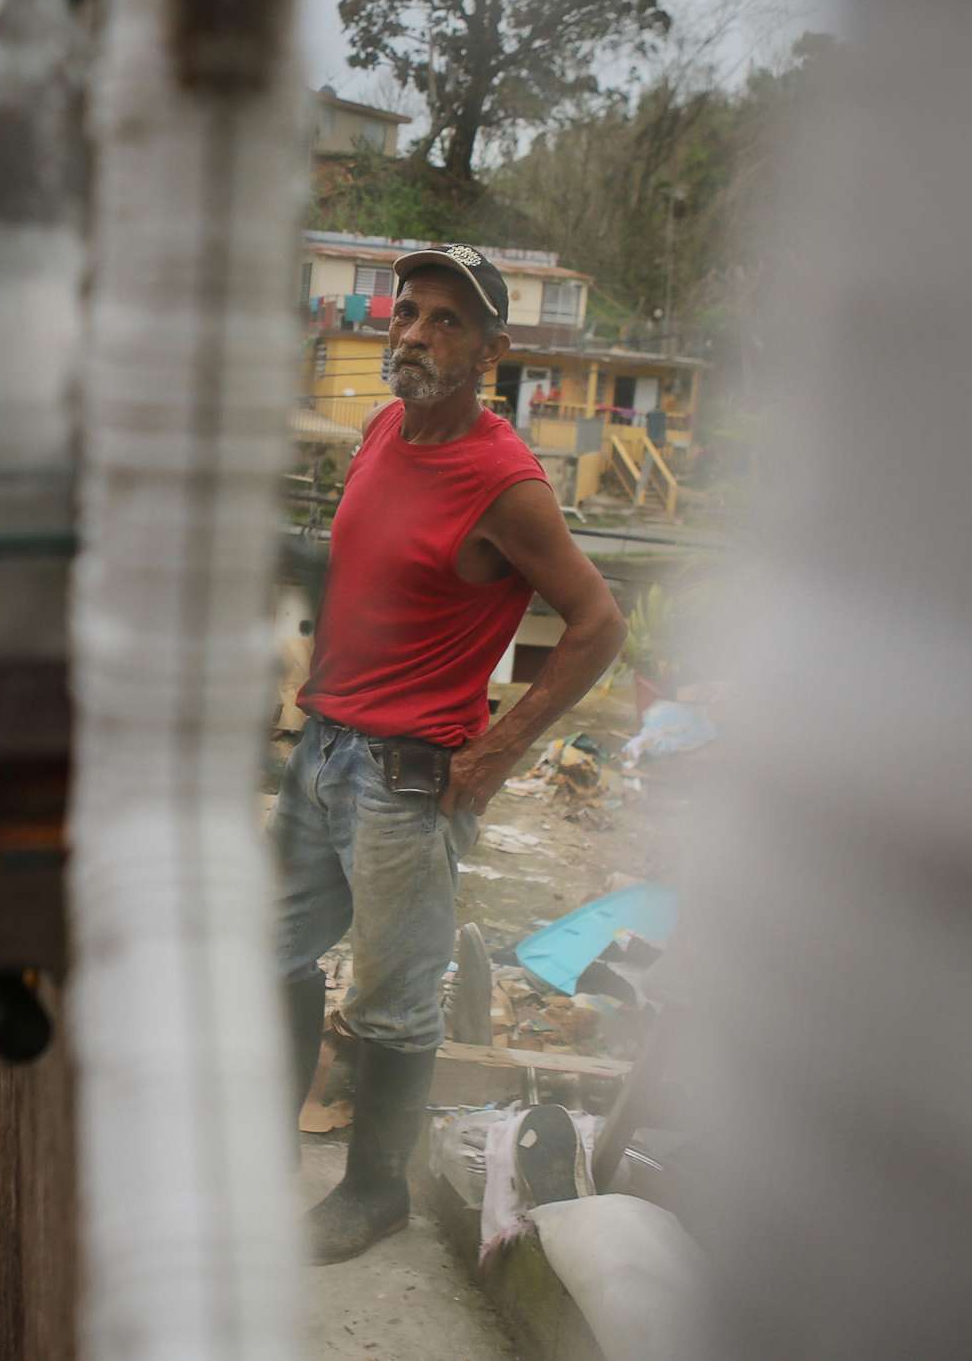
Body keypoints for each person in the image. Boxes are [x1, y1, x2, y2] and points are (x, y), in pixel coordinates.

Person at [279, 243, 626, 1262]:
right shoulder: (382, 426)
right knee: (270, 947)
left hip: (406, 779)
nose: (416, 333)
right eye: (409, 312)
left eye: (446, 322)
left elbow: (598, 622)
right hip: (323, 750)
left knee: (389, 999)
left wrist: (497, 754)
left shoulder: (506, 479)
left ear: (487, 350)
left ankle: (376, 1187)